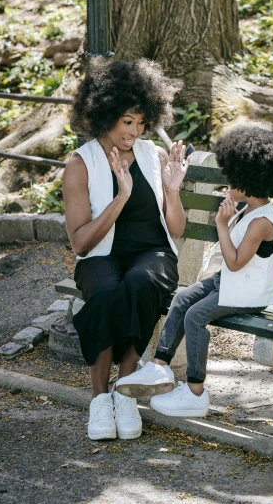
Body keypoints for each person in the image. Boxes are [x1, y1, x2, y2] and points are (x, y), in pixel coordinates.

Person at [115, 124, 273, 418]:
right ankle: (159, 367)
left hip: (249, 291)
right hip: (231, 281)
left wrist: (221, 225)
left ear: (249, 183)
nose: (227, 185)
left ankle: (196, 391)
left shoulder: (262, 222)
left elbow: (235, 261)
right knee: (183, 298)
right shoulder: (247, 208)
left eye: (232, 180)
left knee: (196, 316)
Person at [62, 57, 190, 440]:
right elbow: (81, 242)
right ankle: (100, 398)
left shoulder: (154, 156)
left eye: (141, 122)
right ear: (104, 116)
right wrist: (121, 198)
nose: (134, 132)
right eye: (126, 122)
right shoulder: (80, 164)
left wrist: (171, 190)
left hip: (154, 254)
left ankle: (126, 390)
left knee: (140, 283)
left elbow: (177, 230)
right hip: (100, 255)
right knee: (104, 291)